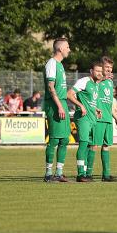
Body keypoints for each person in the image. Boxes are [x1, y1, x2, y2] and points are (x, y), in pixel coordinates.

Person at [68, 62, 103, 182]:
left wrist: (96, 109)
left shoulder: (96, 85)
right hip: (83, 118)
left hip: (92, 118)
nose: (99, 73)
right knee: (83, 144)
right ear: (91, 71)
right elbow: (70, 94)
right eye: (97, 71)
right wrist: (80, 106)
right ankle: (80, 174)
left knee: (90, 145)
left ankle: (87, 173)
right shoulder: (84, 81)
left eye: (100, 71)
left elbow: (90, 102)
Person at [43, 38, 71, 182]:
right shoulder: (51, 63)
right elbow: (50, 86)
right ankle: (48, 174)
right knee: (54, 139)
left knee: (65, 139)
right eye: (67, 47)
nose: (69, 49)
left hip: (62, 104)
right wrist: (59, 105)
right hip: (54, 105)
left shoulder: (60, 65)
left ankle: (59, 172)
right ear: (60, 49)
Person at [92, 56, 117, 182]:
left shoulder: (110, 83)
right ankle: (87, 173)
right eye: (107, 67)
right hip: (98, 118)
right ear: (101, 68)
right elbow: (90, 97)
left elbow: (108, 104)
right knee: (93, 145)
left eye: (111, 67)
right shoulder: (96, 81)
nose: (109, 70)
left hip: (108, 119)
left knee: (106, 145)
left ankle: (106, 174)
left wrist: (116, 118)